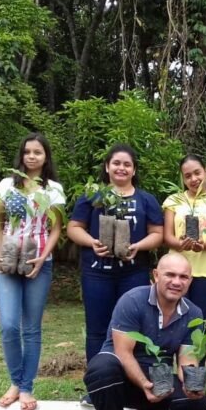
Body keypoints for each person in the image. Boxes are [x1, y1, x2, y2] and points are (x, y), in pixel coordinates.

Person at [82, 253, 206, 410]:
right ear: (156, 275)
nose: (176, 282)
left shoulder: (193, 313)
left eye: (183, 277)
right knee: (101, 369)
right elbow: (123, 353)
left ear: (190, 281)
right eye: (170, 275)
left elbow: (187, 358)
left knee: (196, 405)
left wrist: (191, 383)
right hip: (120, 376)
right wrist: (144, 384)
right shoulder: (132, 300)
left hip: (157, 380)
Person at [67, 143, 164, 363]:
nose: (122, 168)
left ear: (134, 170)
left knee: (134, 328)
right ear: (107, 167)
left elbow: (158, 233)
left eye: (127, 164)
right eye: (116, 163)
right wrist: (92, 242)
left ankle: (133, 382)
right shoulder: (93, 196)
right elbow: (73, 228)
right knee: (97, 329)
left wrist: (138, 246)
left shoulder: (146, 199)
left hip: (134, 273)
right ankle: (97, 385)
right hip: (96, 273)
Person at [0, 133, 65, 410]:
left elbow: (57, 227)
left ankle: (25, 387)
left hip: (39, 262)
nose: (32, 156)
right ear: (21, 155)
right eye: (27, 152)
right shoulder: (7, 185)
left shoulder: (53, 189)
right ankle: (14, 381)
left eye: (38, 152)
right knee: (9, 325)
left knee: (31, 328)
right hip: (7, 261)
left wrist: (44, 256)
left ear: (46, 157)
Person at [162, 154, 206, 325]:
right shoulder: (174, 201)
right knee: (173, 320)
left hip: (205, 270)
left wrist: (203, 245)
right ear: (183, 179)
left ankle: (197, 353)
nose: (194, 179)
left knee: (199, 322)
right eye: (188, 176)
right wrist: (179, 244)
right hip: (175, 270)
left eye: (197, 173)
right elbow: (167, 237)